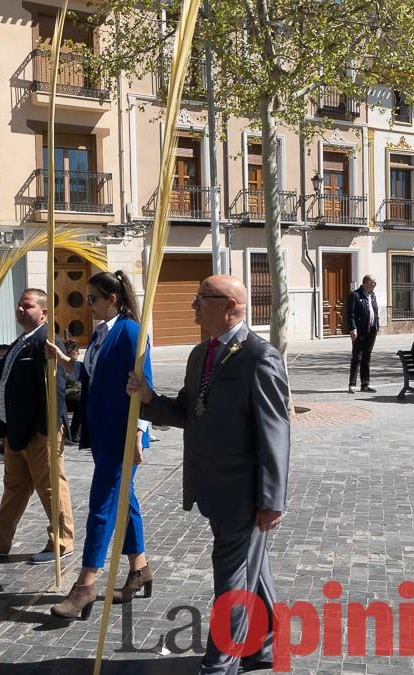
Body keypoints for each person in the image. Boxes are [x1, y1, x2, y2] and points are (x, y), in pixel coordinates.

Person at [127, 274, 290, 674]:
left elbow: (275, 433)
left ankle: (221, 664)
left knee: (232, 578)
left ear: (230, 305)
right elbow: (188, 411)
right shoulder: (200, 354)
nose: (194, 305)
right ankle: (262, 646)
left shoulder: (260, 356)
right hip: (210, 485)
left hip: (243, 491)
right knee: (253, 568)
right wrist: (149, 400)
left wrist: (272, 500)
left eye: (202, 298)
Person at [44, 271, 154, 620]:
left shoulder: (131, 332)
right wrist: (64, 362)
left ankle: (86, 584)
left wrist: (139, 433)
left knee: (102, 506)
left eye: (93, 298)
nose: (88, 304)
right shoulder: (101, 333)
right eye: (88, 298)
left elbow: (144, 384)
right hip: (102, 432)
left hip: (122, 433)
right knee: (125, 498)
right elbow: (92, 375)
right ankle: (140, 569)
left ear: (113, 299)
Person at [0, 289, 74, 565]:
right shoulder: (21, 341)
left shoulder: (47, 343)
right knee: (14, 487)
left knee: (50, 488)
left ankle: (62, 541)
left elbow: (55, 389)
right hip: (15, 430)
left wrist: (46, 430)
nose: (21, 310)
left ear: (44, 312)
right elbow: (8, 376)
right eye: (19, 306)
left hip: (38, 431)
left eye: (28, 306)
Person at [346, 275, 380, 394]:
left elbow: (374, 311)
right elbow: (350, 314)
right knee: (357, 357)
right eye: (373, 283)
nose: (374, 285)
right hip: (360, 330)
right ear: (366, 283)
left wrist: (377, 325)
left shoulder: (372, 295)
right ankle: (352, 384)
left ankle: (365, 384)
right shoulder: (355, 295)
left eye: (375, 283)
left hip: (372, 329)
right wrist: (353, 329)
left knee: (367, 357)